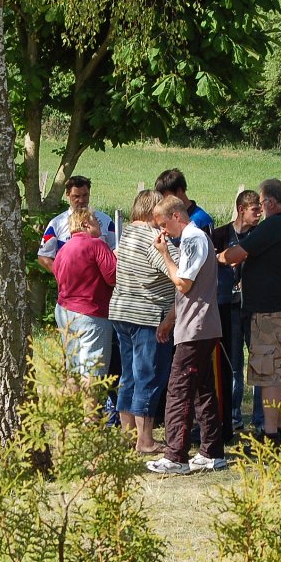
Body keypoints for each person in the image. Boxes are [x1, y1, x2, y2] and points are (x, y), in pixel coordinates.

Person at [218, 179, 281, 446]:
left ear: (269, 202)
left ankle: (270, 435)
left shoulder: (274, 226)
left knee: (268, 374)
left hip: (270, 314)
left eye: (262, 203)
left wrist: (218, 257)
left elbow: (237, 254)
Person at [146, 196, 225, 474]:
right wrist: (170, 320)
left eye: (164, 224)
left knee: (179, 390)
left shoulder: (193, 239)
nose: (163, 232)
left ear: (177, 216)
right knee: (203, 390)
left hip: (196, 328)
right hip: (197, 325)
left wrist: (165, 255)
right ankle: (212, 452)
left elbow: (182, 283)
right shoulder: (192, 240)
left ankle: (175, 457)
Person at [109, 190, 176, 453]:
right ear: (152, 210)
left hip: (121, 312)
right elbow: (180, 273)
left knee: (129, 375)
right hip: (148, 316)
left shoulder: (125, 235)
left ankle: (128, 434)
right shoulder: (153, 239)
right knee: (149, 375)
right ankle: (145, 439)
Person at [211, 190, 262, 432]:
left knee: (260, 362)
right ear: (242, 209)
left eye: (261, 209)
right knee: (233, 363)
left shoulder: (261, 236)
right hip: (227, 306)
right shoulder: (220, 234)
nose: (260, 214)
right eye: (255, 210)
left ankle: (260, 418)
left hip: (253, 307)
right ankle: (232, 414)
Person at [52, 207, 118, 384]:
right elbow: (113, 278)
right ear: (86, 224)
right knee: (91, 370)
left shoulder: (64, 249)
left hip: (65, 311)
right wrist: (114, 257)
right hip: (91, 313)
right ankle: (90, 411)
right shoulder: (97, 244)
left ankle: (75, 409)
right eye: (96, 221)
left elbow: (57, 275)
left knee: (73, 366)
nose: (99, 225)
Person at [38, 175, 116, 273]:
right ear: (67, 195)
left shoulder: (106, 221)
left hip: (99, 284)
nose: (82, 200)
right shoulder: (56, 224)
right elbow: (43, 256)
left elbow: (116, 251)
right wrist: (62, 275)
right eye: (76, 196)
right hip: (70, 285)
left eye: (85, 195)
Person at [155, 168, 214, 234]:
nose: (163, 200)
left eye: (165, 196)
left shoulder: (202, 220)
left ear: (179, 191)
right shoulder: (164, 218)